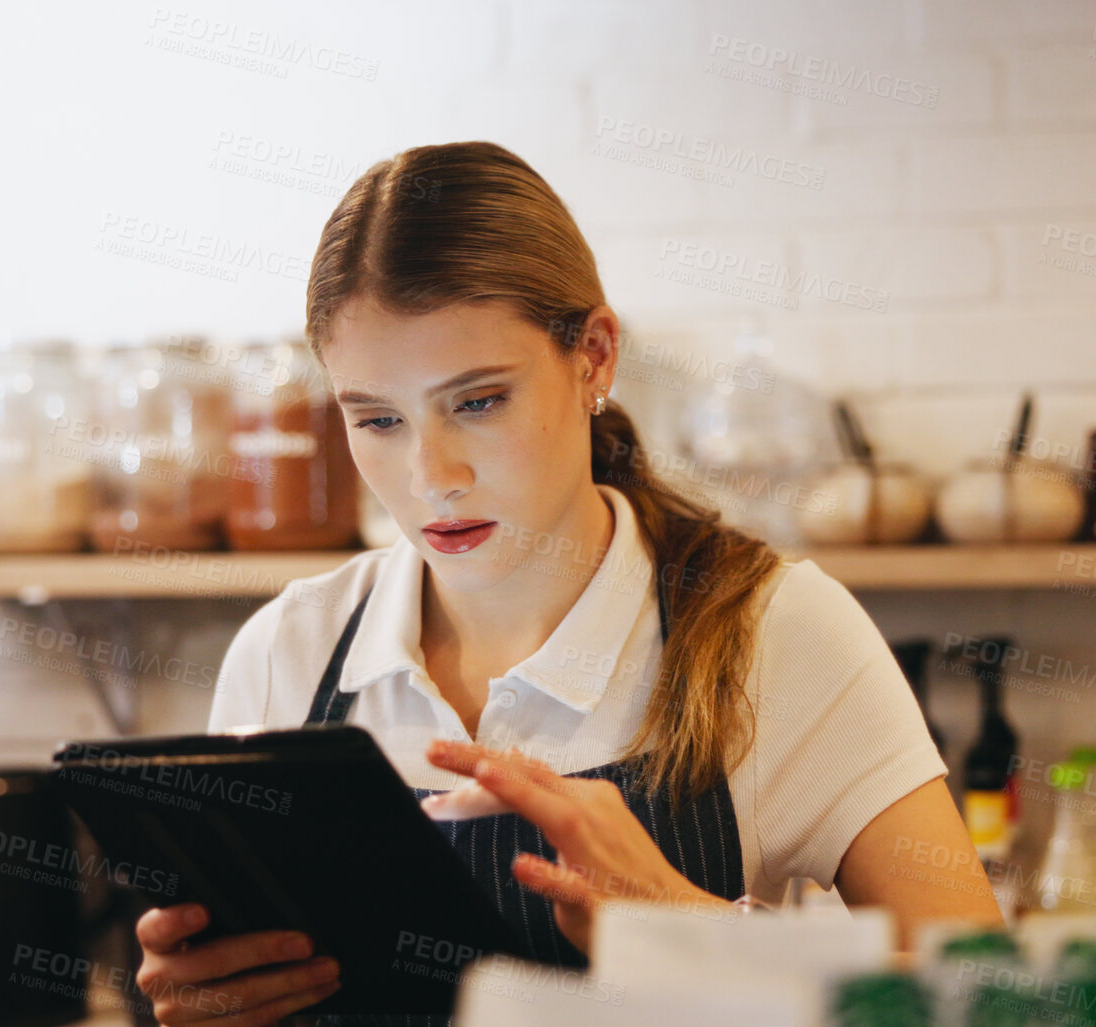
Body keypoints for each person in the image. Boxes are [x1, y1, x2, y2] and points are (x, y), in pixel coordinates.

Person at [132, 141, 1002, 1026]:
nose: (432, 476)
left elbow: (993, 1002)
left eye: (478, 402)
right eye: (379, 420)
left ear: (593, 356)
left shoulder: (774, 631)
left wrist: (692, 929)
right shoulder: (287, 651)